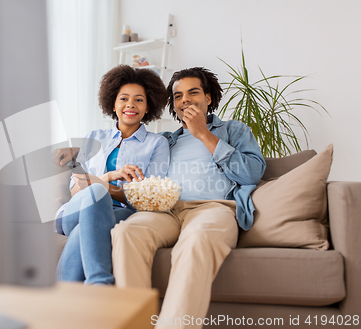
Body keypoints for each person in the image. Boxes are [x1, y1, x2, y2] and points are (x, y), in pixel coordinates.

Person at [111, 67, 266, 328]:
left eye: (193, 93)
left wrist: (203, 133)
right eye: (178, 96)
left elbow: (252, 173)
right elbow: (128, 160)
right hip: (166, 211)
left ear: (208, 97)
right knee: (126, 232)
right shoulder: (164, 141)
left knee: (196, 239)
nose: (185, 100)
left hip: (213, 209)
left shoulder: (233, 130)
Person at [55, 65, 170, 285]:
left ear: (148, 107)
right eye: (124, 98)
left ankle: (89, 289)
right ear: (113, 103)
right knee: (96, 193)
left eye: (139, 100)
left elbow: (148, 196)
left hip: (120, 213)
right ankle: (100, 284)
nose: (130, 105)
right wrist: (108, 178)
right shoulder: (93, 137)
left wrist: (100, 184)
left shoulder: (157, 144)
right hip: (75, 211)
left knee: (85, 229)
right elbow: (75, 189)